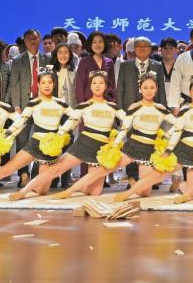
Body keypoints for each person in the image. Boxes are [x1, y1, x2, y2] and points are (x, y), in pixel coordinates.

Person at [0, 68, 71, 200]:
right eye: (43, 82)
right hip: (34, 144)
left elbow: (76, 116)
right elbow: (21, 121)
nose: (47, 85)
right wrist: (9, 134)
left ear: (54, 84)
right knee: (6, 169)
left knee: (43, 191)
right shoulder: (33, 103)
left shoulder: (61, 103)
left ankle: (31, 185)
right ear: (38, 85)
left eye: (50, 82)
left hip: (51, 146)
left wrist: (61, 132)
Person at [107, 74, 193, 203]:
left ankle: (182, 185)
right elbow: (178, 127)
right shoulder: (184, 110)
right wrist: (168, 144)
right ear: (189, 92)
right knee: (158, 174)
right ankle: (128, 193)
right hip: (182, 149)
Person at [11, 71, 120, 200]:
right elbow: (71, 121)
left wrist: (116, 139)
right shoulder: (83, 106)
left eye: (101, 83)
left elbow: (128, 121)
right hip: (82, 144)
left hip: (101, 147)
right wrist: (59, 134)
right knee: (57, 169)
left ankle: (79, 187)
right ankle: (24, 191)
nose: (97, 86)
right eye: (94, 83)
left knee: (95, 192)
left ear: (106, 86)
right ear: (90, 86)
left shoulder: (113, 107)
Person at [115, 36, 167, 186]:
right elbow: (120, 89)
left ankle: (151, 179)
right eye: (139, 46)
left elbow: (161, 90)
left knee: (151, 143)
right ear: (134, 49)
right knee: (131, 144)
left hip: (152, 112)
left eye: (146, 46)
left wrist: (163, 111)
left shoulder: (157, 65)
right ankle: (132, 177)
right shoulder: (125, 65)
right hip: (131, 111)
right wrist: (120, 111)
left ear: (150, 49)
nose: (142, 48)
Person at [9, 29, 50, 187]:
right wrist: (16, 106)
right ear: (24, 42)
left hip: (42, 106)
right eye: (28, 39)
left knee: (41, 140)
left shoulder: (47, 59)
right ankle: (23, 174)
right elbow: (14, 84)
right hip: (24, 106)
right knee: (22, 142)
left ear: (39, 39)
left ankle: (37, 174)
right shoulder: (17, 60)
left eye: (34, 38)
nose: (32, 41)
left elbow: (51, 82)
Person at [74, 31, 115, 103]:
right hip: (88, 103)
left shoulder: (110, 62)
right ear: (90, 44)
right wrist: (82, 104)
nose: (97, 45)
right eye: (94, 42)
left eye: (100, 42)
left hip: (106, 103)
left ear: (104, 44)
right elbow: (79, 86)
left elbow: (112, 85)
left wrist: (113, 101)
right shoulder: (84, 62)